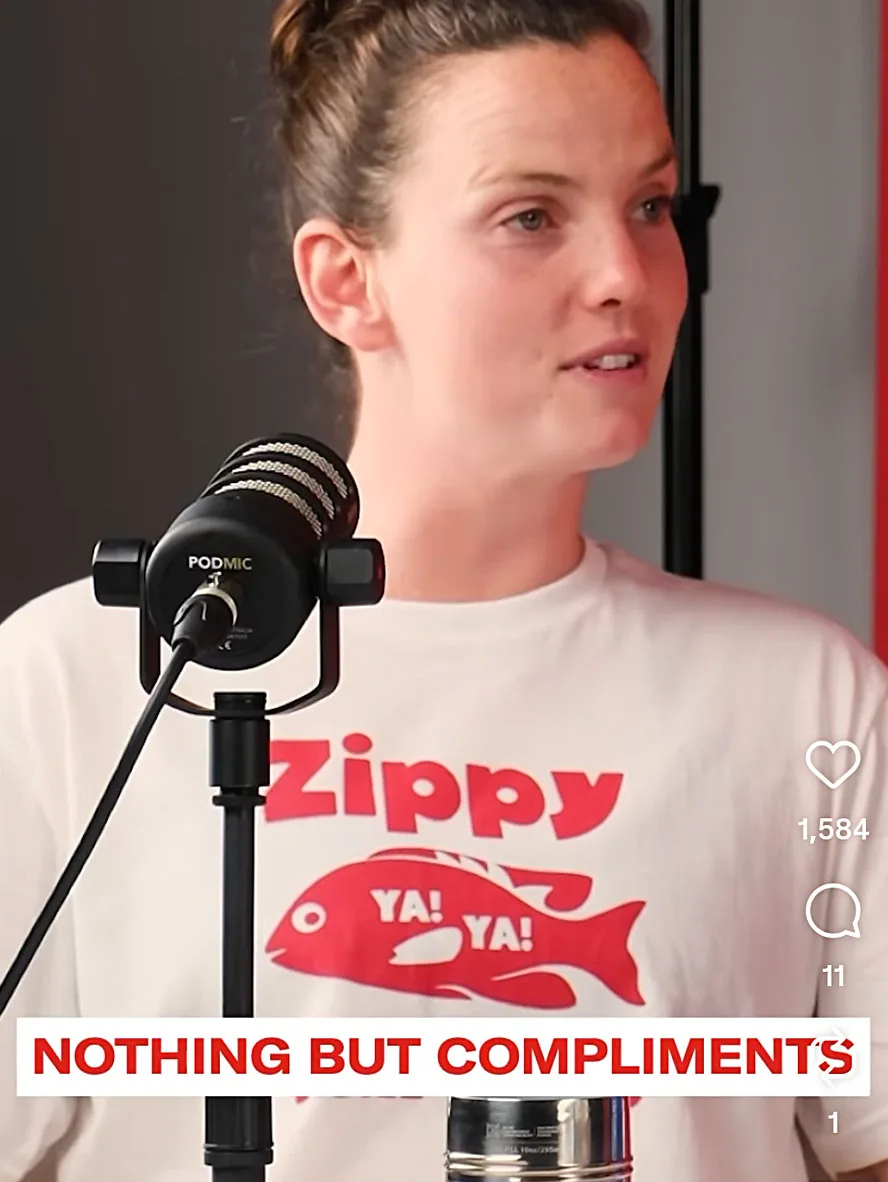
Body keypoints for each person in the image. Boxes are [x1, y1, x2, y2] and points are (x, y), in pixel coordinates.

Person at [0, 0, 886, 1178]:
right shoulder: (74, 681)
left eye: (651, 206)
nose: (625, 273)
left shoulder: (811, 704)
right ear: (347, 280)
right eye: (530, 216)